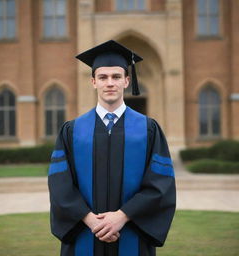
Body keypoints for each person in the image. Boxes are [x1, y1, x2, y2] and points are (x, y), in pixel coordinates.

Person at [48, 40, 176, 256]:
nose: (110, 83)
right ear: (93, 82)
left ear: (127, 81)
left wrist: (122, 216)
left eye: (116, 77)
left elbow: (160, 184)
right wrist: (91, 221)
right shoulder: (72, 130)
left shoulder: (148, 129)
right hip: (84, 234)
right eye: (103, 77)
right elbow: (60, 184)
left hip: (132, 234)